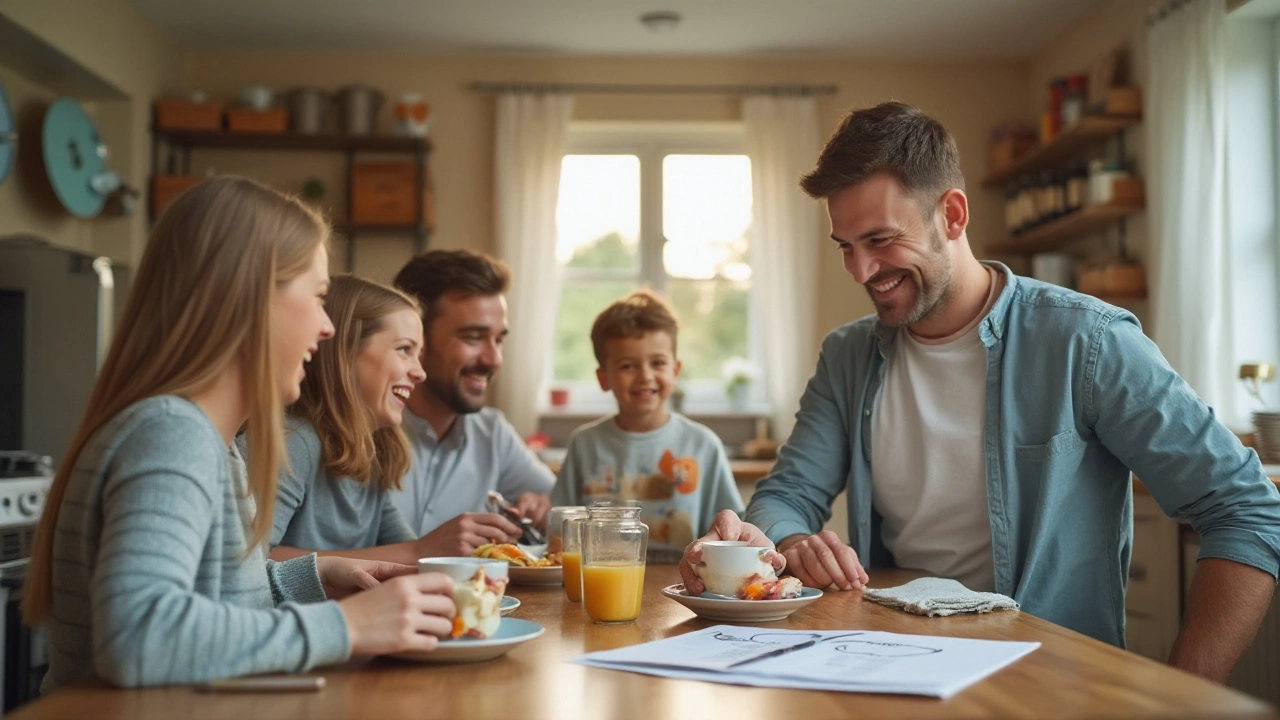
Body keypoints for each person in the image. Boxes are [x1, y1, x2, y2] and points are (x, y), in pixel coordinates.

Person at [679, 102, 1280, 683]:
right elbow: (787, 493)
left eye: (881, 240)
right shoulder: (848, 354)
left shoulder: (1088, 341)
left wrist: (1186, 698)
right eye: (846, 247)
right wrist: (792, 541)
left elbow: (1245, 508)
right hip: (886, 659)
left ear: (954, 216)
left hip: (1047, 677)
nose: (861, 271)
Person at [23, 176, 457, 691]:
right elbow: (139, 636)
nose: (327, 328)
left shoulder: (210, 440)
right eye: (318, 298)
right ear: (250, 298)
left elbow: (223, 596)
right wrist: (351, 626)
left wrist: (318, 573)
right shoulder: (171, 435)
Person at [254, 274, 443, 566]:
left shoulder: (371, 449)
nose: (420, 372)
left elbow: (405, 555)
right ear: (345, 352)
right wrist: (417, 552)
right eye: (405, 349)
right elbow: (251, 563)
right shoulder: (293, 445)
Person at [550, 290, 745, 561]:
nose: (645, 376)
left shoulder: (703, 444)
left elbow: (732, 529)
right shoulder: (584, 444)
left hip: (683, 591)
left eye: (658, 363)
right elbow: (561, 530)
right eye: (628, 366)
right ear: (603, 378)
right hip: (602, 588)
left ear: (675, 371)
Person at [389, 249, 555, 554]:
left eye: (499, 339)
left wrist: (545, 508)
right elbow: (274, 564)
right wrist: (420, 550)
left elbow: (562, 503)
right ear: (415, 340)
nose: (494, 359)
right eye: (473, 338)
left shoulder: (491, 433)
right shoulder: (356, 432)